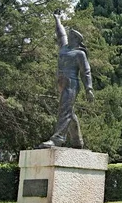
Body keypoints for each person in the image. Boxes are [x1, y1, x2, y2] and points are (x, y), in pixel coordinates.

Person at [39, 13, 94, 149]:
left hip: (71, 84)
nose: (68, 36)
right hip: (61, 83)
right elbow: (60, 34)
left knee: (65, 110)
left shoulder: (79, 54)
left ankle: (57, 139)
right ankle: (77, 141)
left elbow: (86, 72)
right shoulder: (64, 48)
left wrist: (89, 89)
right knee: (69, 111)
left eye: (71, 35)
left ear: (76, 39)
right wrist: (57, 19)